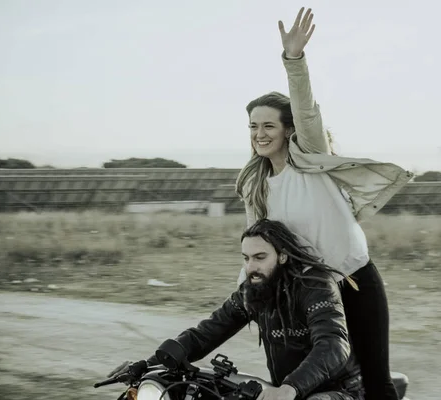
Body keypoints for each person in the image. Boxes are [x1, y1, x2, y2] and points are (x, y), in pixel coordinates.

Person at [235, 7, 413, 400]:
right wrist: (248, 290)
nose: (259, 134)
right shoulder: (256, 186)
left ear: (288, 129)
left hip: (353, 280)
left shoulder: (310, 158)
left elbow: (305, 106)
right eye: (253, 126)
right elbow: (255, 247)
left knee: (375, 384)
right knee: (301, 388)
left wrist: (294, 60)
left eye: (268, 125)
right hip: (304, 297)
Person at [108, 219, 365, 400]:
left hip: (339, 391)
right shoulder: (253, 291)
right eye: (246, 258)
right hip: (283, 392)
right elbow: (204, 334)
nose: (251, 266)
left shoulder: (315, 285)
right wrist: (148, 365)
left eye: (260, 257)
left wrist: (290, 388)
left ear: (283, 256)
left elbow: (333, 345)